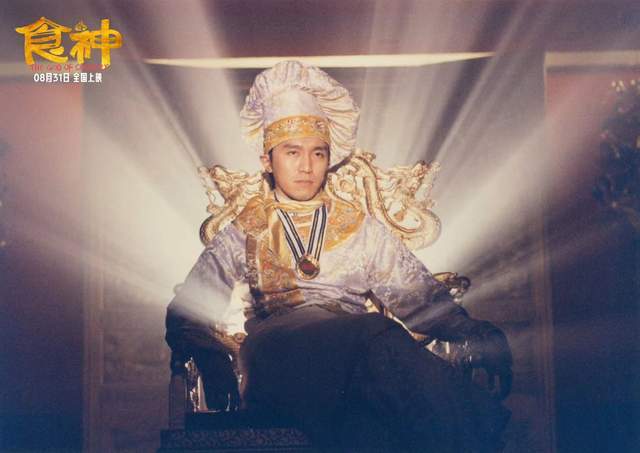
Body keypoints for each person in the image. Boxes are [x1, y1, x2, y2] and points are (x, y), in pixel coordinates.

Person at [166, 60, 512, 452]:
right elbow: (188, 308)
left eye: (318, 153)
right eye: (292, 152)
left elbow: (417, 298)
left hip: (358, 361)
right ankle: (479, 431)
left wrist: (473, 332)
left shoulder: (358, 225)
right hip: (278, 355)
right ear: (267, 160)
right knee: (376, 334)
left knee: (368, 424)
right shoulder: (247, 227)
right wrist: (209, 353)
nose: (306, 166)